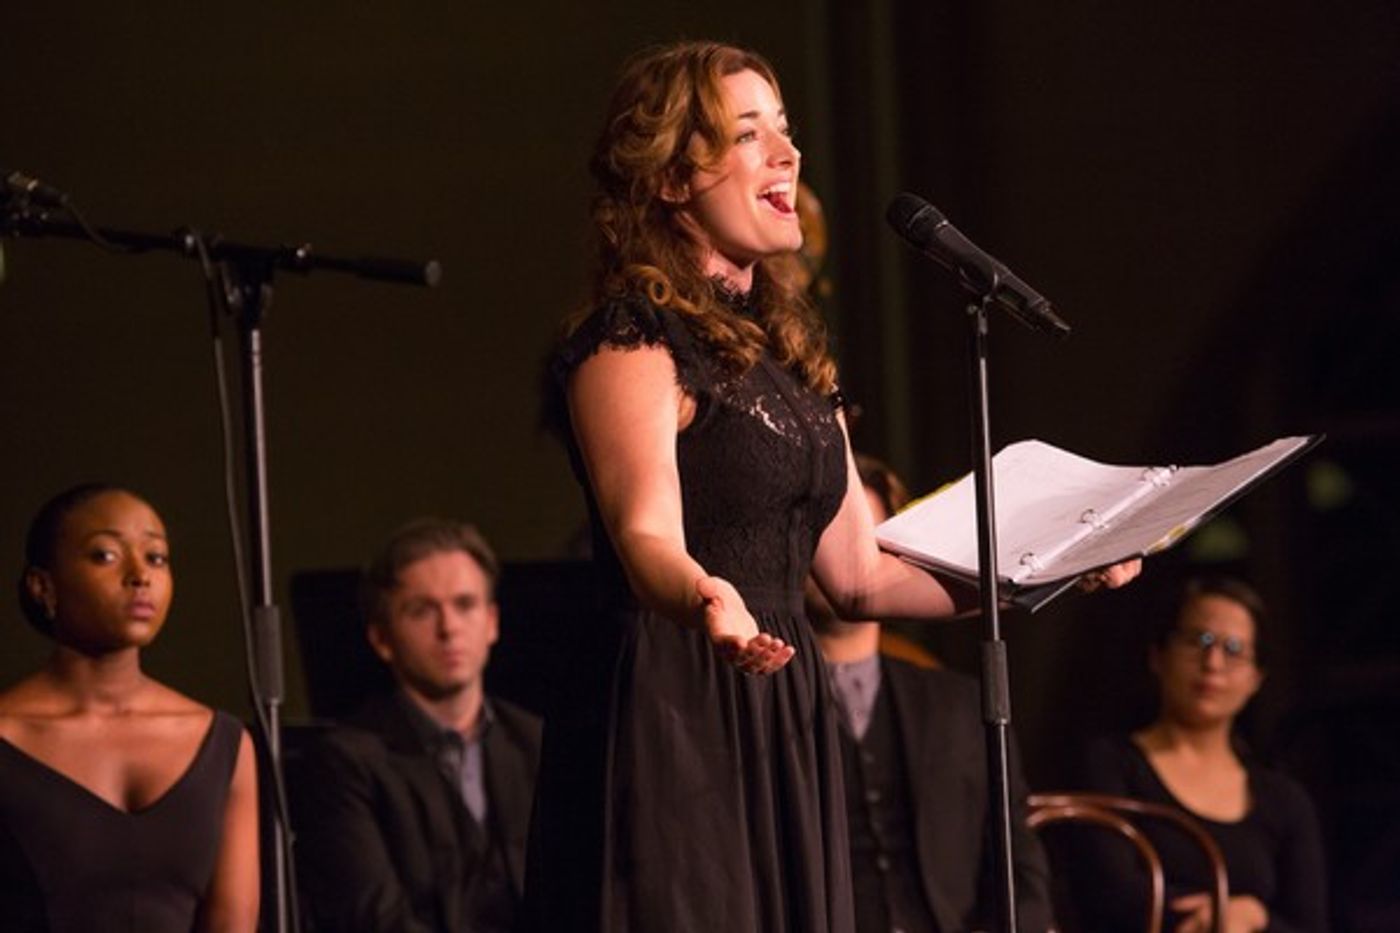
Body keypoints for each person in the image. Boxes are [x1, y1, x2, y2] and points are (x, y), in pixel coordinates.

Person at [527, 40, 1137, 932]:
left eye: (785, 128)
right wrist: (707, 598)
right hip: (679, 688)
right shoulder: (633, 338)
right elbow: (643, 530)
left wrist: (1048, 568)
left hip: (783, 702)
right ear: (670, 178)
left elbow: (863, 576)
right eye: (748, 133)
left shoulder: (794, 360)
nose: (788, 152)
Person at [810, 455, 1054, 933]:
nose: (845, 558)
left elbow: (1019, 866)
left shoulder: (959, 705)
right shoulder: (753, 705)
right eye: (823, 536)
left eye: (863, 540)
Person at [0, 483, 259, 933]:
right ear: (43, 586)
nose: (141, 575)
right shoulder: (9, 733)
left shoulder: (223, 743)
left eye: (156, 558)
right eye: (105, 555)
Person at [293, 518, 541, 933]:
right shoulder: (346, 761)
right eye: (422, 610)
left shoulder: (537, 743)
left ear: (492, 622)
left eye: (465, 605)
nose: (449, 628)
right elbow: (373, 917)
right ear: (381, 639)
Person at [1070, 577, 1329, 932]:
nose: (1213, 662)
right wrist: (1218, 913)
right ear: (1158, 655)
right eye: (1198, 640)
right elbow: (1107, 893)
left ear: (1256, 678)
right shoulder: (1110, 763)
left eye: (1234, 649)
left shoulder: (1285, 801)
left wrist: (1255, 915)